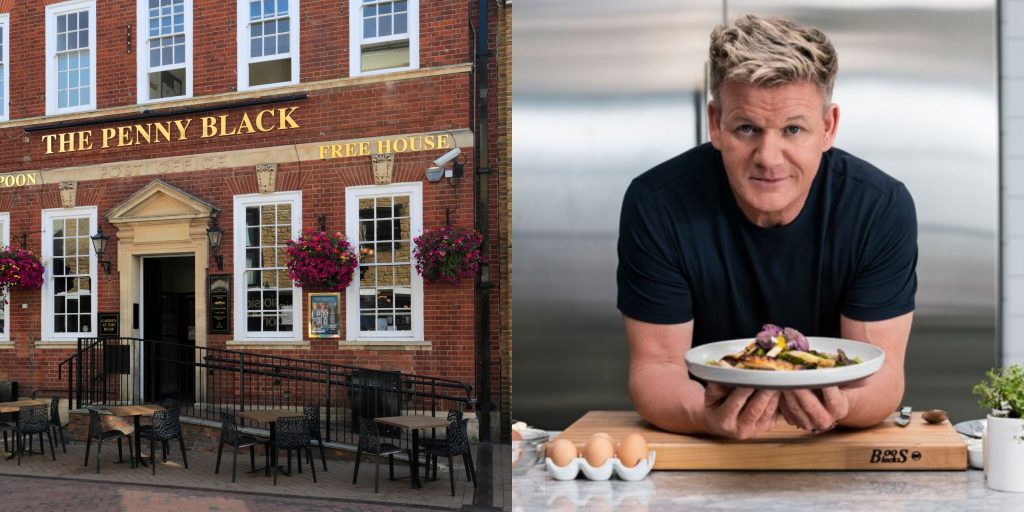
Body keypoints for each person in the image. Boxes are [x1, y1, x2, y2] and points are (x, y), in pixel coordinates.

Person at [617, 15, 917, 440]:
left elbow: (883, 374)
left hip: (831, 448)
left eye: (793, 129)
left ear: (828, 127)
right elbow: (656, 369)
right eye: (747, 129)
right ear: (715, 123)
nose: (769, 158)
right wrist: (707, 416)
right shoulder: (657, 204)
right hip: (705, 438)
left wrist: (843, 404)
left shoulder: (879, 208)